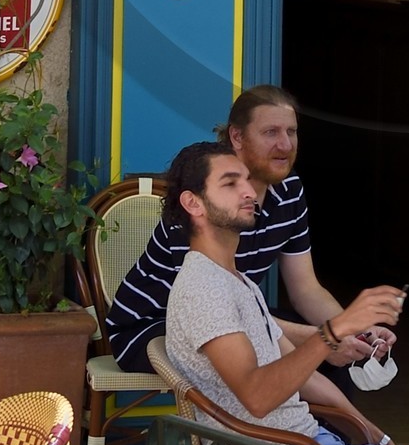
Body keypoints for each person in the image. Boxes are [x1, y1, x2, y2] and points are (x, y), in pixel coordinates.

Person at [159, 141, 409, 445]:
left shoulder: (237, 281)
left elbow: (306, 379)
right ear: (193, 203)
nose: (250, 191)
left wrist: (373, 433)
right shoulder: (204, 288)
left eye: (247, 180)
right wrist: (333, 330)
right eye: (230, 183)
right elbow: (258, 396)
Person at [107, 85, 375, 376]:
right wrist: (324, 339)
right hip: (153, 326)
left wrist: (354, 332)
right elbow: (211, 307)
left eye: (291, 132)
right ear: (237, 136)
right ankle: (278, 423)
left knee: (331, 363)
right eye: (271, 132)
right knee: (293, 355)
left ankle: (323, 423)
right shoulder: (204, 194)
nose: (285, 145)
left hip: (231, 315)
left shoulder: (290, 190)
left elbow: (305, 289)